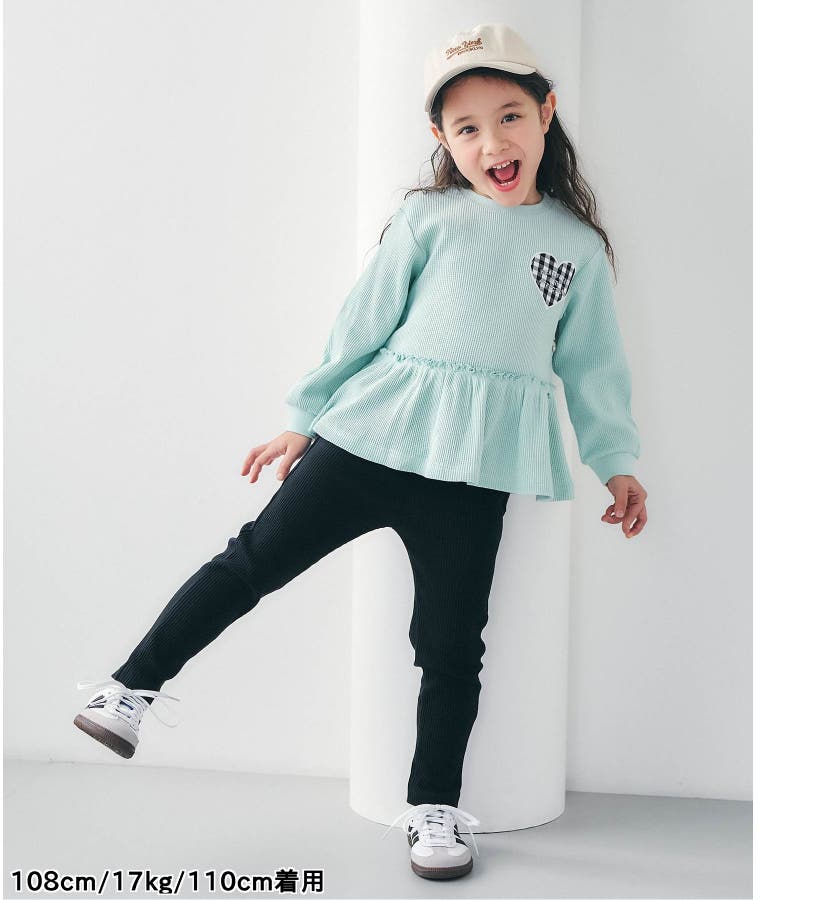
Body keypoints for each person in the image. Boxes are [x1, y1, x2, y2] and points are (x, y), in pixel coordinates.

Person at [74, 21, 649, 881]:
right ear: (440, 138)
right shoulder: (428, 220)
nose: (493, 143)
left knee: (451, 647)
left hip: (472, 473)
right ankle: (128, 689)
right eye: (466, 128)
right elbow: (361, 326)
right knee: (253, 562)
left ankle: (433, 809)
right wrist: (303, 417)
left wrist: (616, 462)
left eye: (509, 116)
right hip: (368, 439)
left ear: (546, 112)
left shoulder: (573, 249)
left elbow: (593, 368)